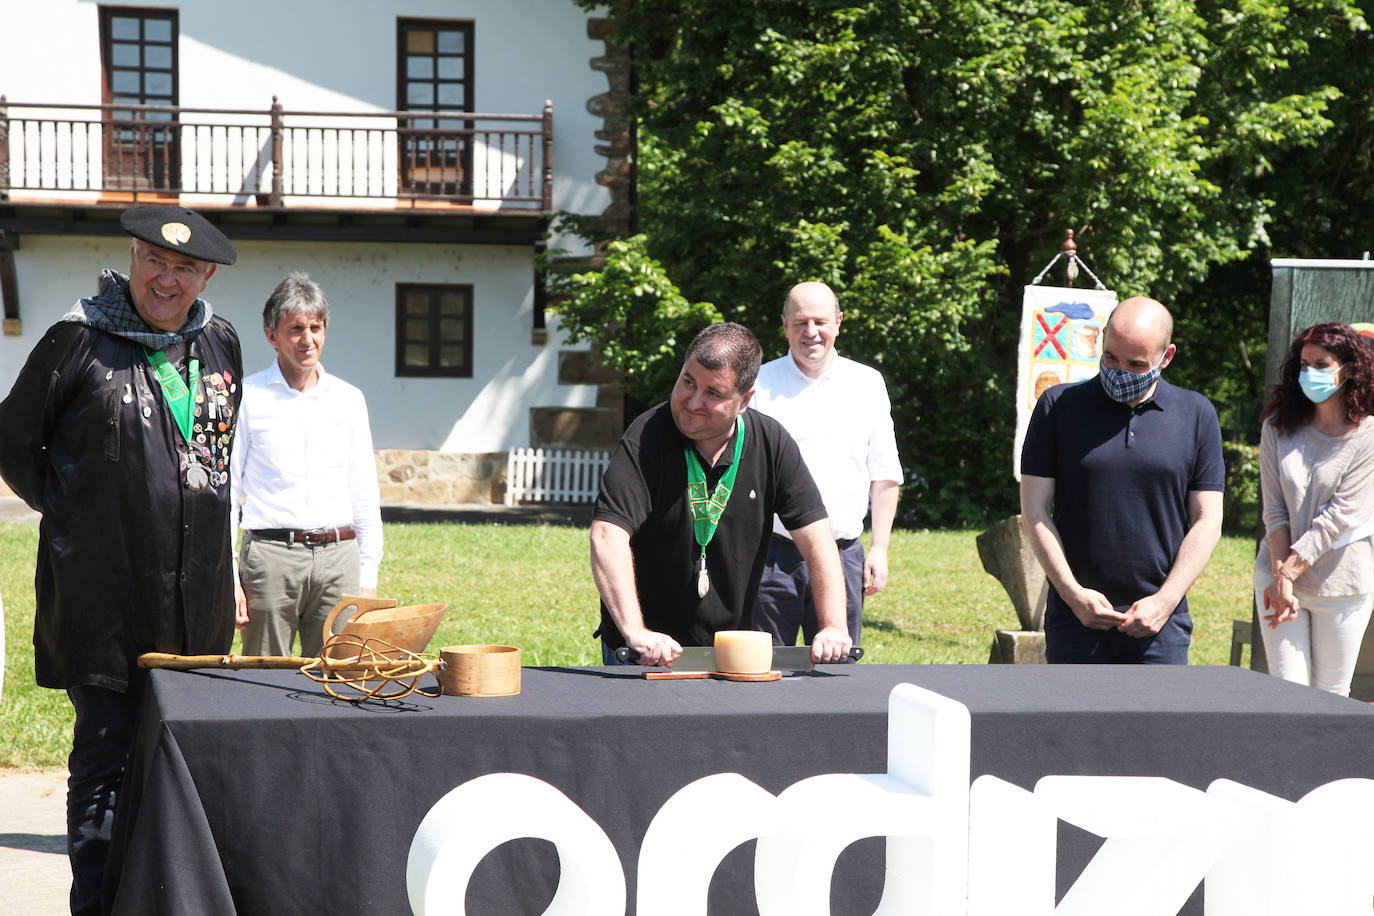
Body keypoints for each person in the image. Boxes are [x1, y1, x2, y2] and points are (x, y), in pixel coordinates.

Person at [0, 205, 240, 914]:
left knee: (184, 764)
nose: (167, 279)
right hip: (104, 604)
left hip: (197, 609)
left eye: (185, 268)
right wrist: (82, 513)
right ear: (131, 258)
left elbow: (219, 459)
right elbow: (14, 444)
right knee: (106, 767)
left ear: (206, 275)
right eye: (155, 261)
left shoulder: (220, 342)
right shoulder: (77, 341)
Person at [591, 322, 853, 666]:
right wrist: (636, 632)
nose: (692, 402)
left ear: (744, 400)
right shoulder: (646, 437)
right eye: (687, 382)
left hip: (729, 650)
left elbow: (818, 540)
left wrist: (833, 625)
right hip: (646, 653)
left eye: (713, 393)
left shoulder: (771, 443)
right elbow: (607, 535)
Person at [1019, 295, 1224, 664]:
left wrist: (1164, 603)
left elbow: (1208, 520)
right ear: (1101, 338)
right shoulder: (1057, 406)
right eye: (1111, 357)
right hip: (1075, 621)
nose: (1119, 371)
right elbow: (1034, 509)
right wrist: (1072, 594)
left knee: (1155, 724)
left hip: (1160, 626)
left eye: (1136, 364)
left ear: (1167, 357)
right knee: (1074, 724)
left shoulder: (1196, 414)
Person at [230, 273, 383, 657]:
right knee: (263, 681)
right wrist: (229, 577)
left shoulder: (349, 400)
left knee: (340, 681)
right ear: (272, 336)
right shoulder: (248, 398)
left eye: (315, 327)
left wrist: (368, 578)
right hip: (271, 559)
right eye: (295, 328)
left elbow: (364, 490)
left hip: (339, 559)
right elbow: (228, 492)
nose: (307, 339)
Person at [750, 281, 901, 647]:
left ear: (838, 323)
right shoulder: (757, 384)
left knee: (838, 673)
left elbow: (884, 473)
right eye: (800, 322)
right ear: (784, 325)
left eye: (820, 321)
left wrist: (879, 548)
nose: (811, 332)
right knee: (763, 672)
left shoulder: (866, 383)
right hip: (772, 557)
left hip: (843, 553)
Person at [1254, 323, 1374, 695]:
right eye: (1305, 364)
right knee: (1288, 695)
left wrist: (1287, 574)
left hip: (1341, 584)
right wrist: (1279, 576)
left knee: (1328, 701)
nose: (1310, 373)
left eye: (1321, 365)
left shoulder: (1367, 434)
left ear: (1349, 369)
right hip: (1278, 579)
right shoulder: (1277, 427)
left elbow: (1338, 518)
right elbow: (1274, 509)